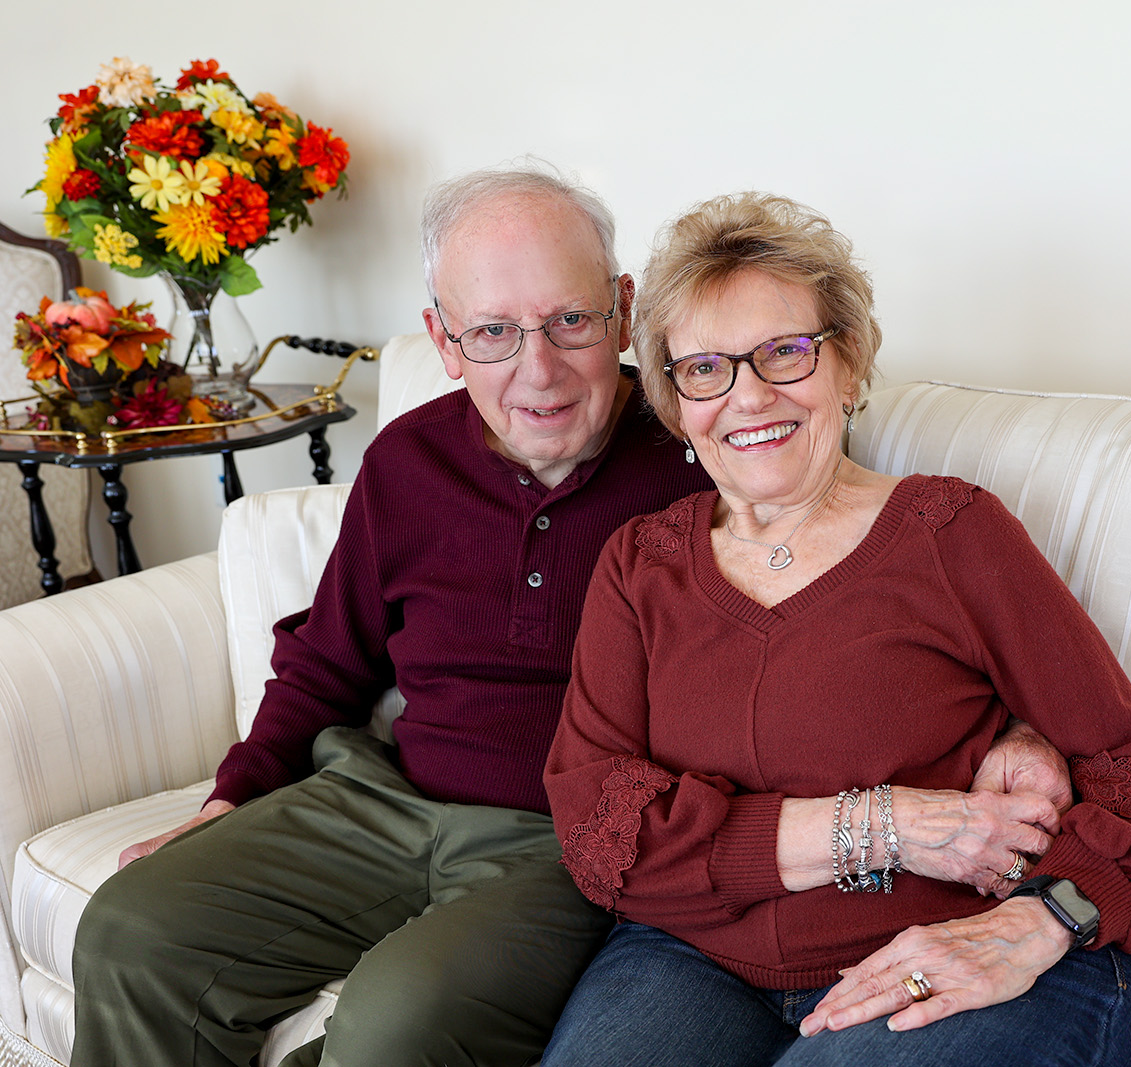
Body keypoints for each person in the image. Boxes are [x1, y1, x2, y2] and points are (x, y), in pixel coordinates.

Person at [68, 166, 1071, 1067]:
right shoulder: (408, 461)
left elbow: (845, 605)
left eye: (571, 322)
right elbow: (327, 659)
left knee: (397, 1016)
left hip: (564, 837)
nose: (537, 369)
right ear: (442, 340)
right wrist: (228, 798)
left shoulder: (711, 449)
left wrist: (1017, 721)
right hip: (379, 796)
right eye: (494, 332)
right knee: (131, 925)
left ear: (623, 310)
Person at [541, 193, 1131, 1067]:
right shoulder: (641, 564)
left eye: (783, 352)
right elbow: (601, 832)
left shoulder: (950, 532)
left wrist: (1038, 920)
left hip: (955, 949)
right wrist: (885, 822)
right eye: (704, 368)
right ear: (675, 401)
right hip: (691, 953)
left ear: (847, 366)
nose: (748, 395)